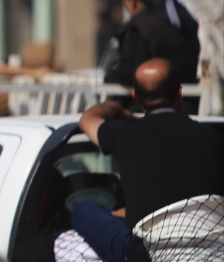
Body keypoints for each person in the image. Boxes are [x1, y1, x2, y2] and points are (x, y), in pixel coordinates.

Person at [79, 58, 224, 233]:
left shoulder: (124, 134)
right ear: (179, 93)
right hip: (208, 245)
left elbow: (87, 119)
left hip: (146, 252)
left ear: (136, 97)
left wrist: (117, 108)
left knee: (83, 210)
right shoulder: (213, 138)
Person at [104, 0, 200, 87]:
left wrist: (109, 77)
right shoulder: (183, 25)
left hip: (147, 103)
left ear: (132, 0)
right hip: (185, 103)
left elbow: (130, 75)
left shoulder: (139, 29)